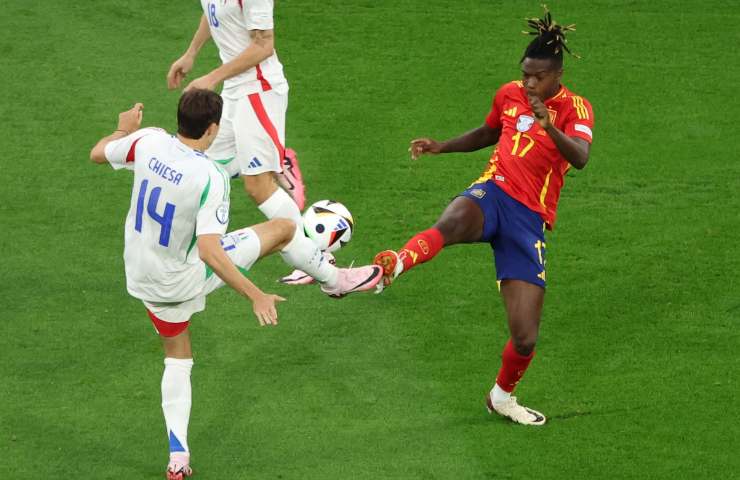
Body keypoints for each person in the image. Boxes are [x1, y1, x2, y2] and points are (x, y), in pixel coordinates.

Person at [89, 90, 368, 479]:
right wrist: (254, 294)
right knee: (285, 229)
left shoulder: (147, 140)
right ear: (214, 128)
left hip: (139, 276)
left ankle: (178, 459)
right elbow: (210, 251)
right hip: (182, 279)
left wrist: (122, 128)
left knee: (178, 356)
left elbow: (99, 152)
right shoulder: (210, 177)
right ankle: (335, 280)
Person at [373, 9, 594, 426]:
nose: (528, 83)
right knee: (451, 223)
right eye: (525, 74)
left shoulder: (576, 109)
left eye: (538, 77)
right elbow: (489, 132)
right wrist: (442, 146)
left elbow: (580, 158)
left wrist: (550, 126)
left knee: (525, 337)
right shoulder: (508, 94)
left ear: (557, 74)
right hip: (494, 191)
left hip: (529, 219)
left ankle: (501, 396)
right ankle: (395, 264)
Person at [166, 0, 352, 286]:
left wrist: (212, 77)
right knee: (205, 167)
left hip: (259, 90)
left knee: (257, 186)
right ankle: (273, 159)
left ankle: (319, 266)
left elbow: (263, 45)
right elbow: (211, 10)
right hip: (235, 90)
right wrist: (191, 53)